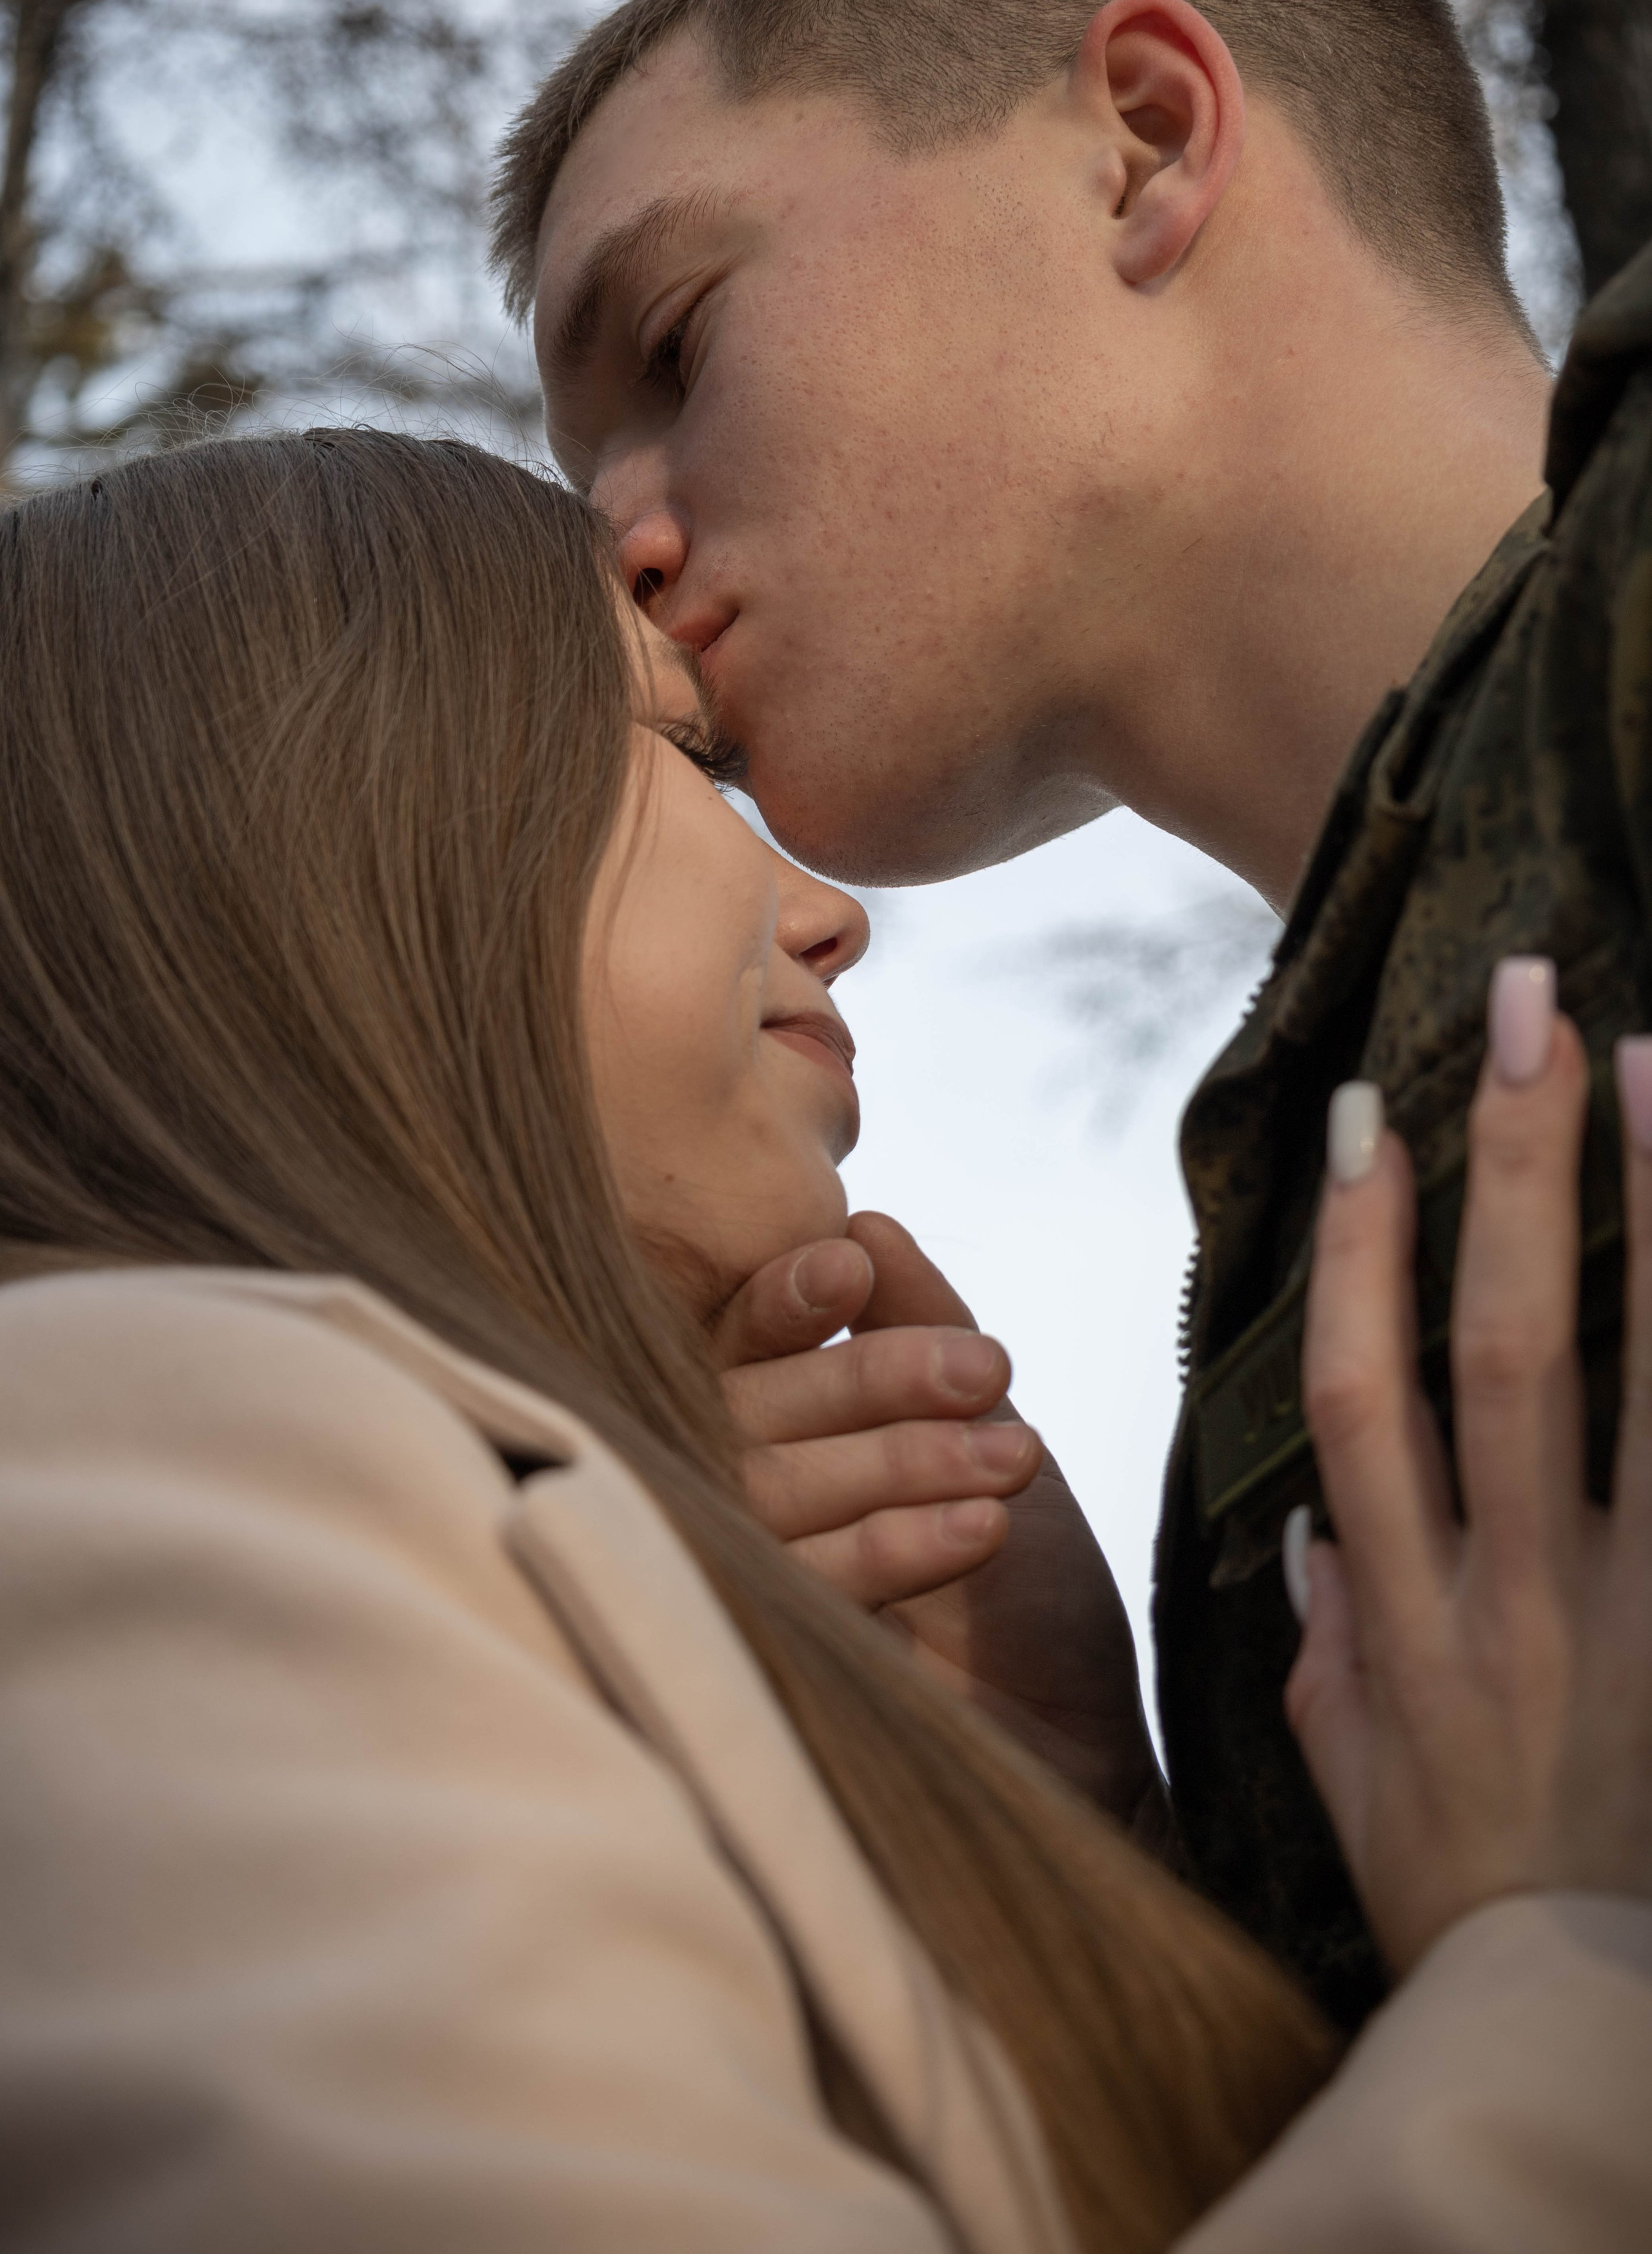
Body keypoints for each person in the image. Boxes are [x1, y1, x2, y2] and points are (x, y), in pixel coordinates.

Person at [1, 427, 1649, 2253]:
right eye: (685, 754)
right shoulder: (110, 1481)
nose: (829, 916)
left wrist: (1047, 1838)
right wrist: (1560, 1959)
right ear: (329, 820)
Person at [495, 0, 1652, 2018]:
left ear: (1139, 138)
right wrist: (1117, 1854)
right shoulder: (1315, 1125)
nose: (621, 540)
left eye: (678, 345)